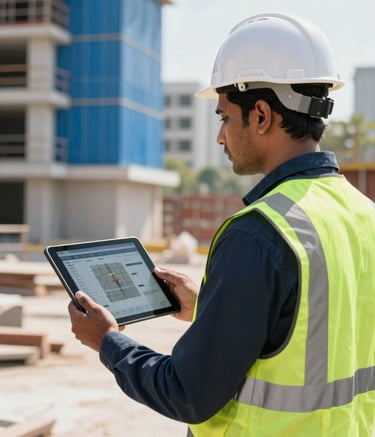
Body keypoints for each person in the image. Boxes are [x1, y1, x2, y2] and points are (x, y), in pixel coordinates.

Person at [68, 12, 375, 436]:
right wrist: (209, 308)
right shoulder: (365, 215)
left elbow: (187, 392)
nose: (220, 136)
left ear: (262, 115)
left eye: (225, 117)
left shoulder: (260, 233)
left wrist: (106, 341)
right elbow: (317, 333)